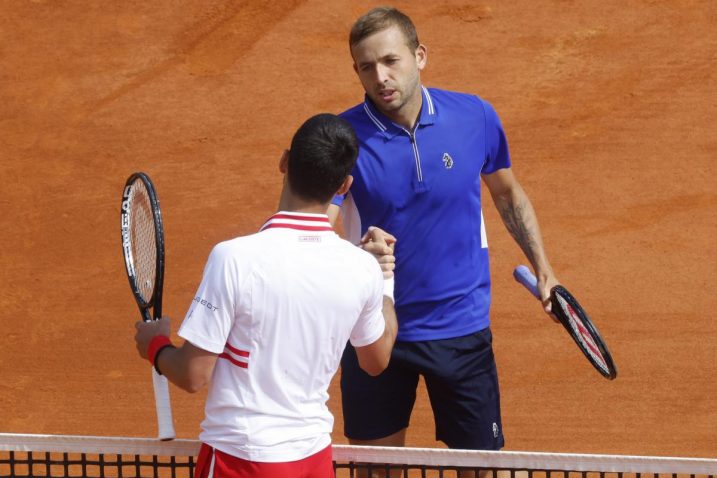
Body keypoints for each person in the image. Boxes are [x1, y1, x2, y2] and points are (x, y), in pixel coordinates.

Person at [328, 6, 560, 457]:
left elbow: (508, 194)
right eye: (366, 66)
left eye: (390, 61)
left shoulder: (474, 116)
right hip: (377, 328)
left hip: (461, 326)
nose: (380, 77)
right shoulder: (342, 137)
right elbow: (319, 222)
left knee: (480, 467)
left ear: (420, 56)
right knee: (376, 468)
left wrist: (544, 269)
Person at [134, 113, 398, 478]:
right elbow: (375, 361)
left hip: (241, 462)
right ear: (344, 185)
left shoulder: (235, 258)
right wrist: (385, 280)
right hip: (314, 463)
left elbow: (192, 375)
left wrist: (153, 345)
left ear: (284, 161)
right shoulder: (361, 268)